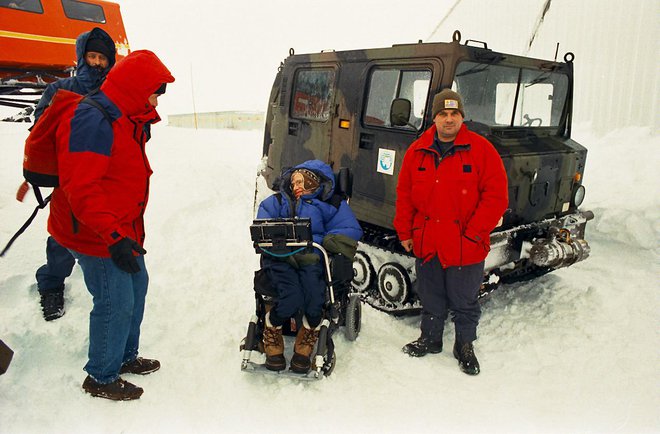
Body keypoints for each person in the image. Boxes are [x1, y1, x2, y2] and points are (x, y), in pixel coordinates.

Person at [47, 50, 174, 400]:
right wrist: (113, 236)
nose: (157, 98)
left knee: (138, 285)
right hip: (91, 230)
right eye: (155, 90)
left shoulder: (127, 115)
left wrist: (123, 231)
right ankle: (101, 377)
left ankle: (124, 356)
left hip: (119, 226)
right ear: (136, 86)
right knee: (115, 299)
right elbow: (81, 187)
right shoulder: (93, 118)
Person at [394, 89, 508, 376]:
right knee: (430, 295)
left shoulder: (482, 150)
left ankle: (464, 346)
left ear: (462, 116)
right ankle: (430, 339)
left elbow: (496, 198)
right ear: (434, 117)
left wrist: (474, 233)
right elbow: (405, 194)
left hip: (464, 242)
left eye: (453, 114)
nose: (448, 120)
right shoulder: (417, 150)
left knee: (464, 301)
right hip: (428, 238)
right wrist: (405, 231)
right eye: (442, 114)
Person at [33, 27, 116, 321]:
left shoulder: (114, 92)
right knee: (64, 234)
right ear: (82, 57)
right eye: (91, 56)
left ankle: (103, 277)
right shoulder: (61, 89)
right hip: (69, 178)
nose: (96, 62)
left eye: (102, 58)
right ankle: (52, 283)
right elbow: (40, 127)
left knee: (102, 228)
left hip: (105, 177)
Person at [256, 160, 363, 373]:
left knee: (315, 296)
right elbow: (262, 224)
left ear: (314, 184)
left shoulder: (330, 204)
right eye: (293, 182)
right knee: (291, 294)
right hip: (281, 258)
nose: (296, 187)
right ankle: (272, 325)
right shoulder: (277, 202)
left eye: (301, 183)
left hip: (312, 257)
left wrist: (330, 240)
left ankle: (309, 330)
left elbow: (350, 228)